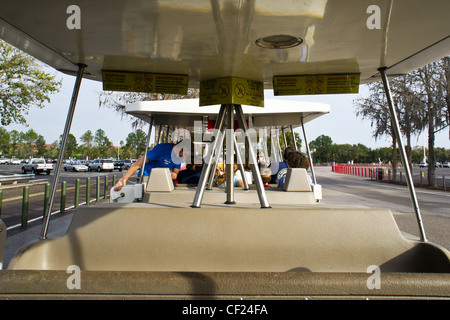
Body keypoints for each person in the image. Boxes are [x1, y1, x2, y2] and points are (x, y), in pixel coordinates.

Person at [113, 140, 191, 191]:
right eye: (185, 154)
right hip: (147, 177)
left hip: (163, 181)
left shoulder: (179, 157)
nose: (184, 157)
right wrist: (124, 178)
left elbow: (175, 174)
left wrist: (170, 173)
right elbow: (141, 161)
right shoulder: (162, 149)